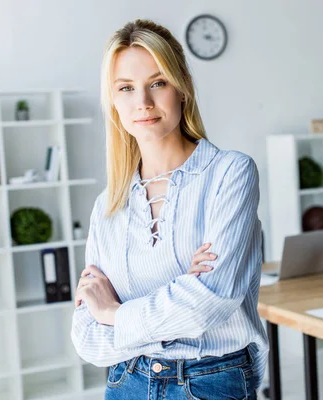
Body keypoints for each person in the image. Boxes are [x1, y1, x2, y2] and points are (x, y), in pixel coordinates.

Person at [70, 19, 268, 399]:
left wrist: (114, 313)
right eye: (126, 88)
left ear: (183, 88)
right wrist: (181, 291)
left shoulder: (230, 173)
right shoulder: (107, 206)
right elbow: (87, 338)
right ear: (113, 102)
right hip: (125, 382)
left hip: (210, 380)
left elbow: (209, 302)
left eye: (157, 83)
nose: (142, 102)